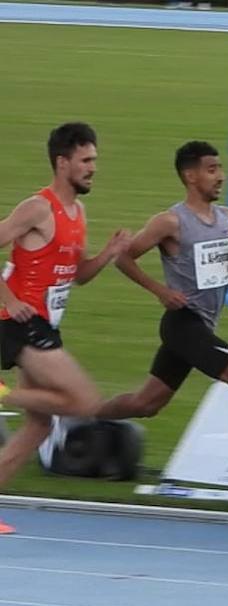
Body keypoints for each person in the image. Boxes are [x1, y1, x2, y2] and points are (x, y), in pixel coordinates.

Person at [95, 141, 228, 487]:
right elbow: (125, 258)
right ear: (190, 176)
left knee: (147, 403)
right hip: (182, 323)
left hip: (201, 324)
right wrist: (161, 291)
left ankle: (83, 415)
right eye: (212, 169)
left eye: (220, 169)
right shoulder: (170, 222)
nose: (221, 176)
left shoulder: (227, 218)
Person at [0, 123, 131, 533]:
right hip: (21, 323)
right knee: (86, 401)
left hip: (44, 324)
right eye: (86, 160)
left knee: (40, 424)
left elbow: (77, 276)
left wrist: (108, 254)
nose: (94, 168)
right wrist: (9, 299)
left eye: (95, 160)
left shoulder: (78, 212)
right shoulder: (38, 208)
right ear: (63, 162)